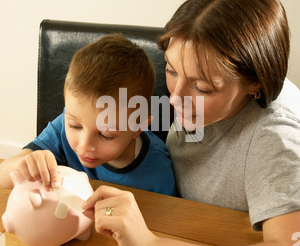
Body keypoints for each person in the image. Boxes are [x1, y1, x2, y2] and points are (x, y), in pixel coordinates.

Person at [83, 0, 300, 246]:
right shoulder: (202, 99)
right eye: (171, 70)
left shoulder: (275, 139)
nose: (175, 97)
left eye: (202, 87)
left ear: (255, 82)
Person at [0, 34, 176, 196]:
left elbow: (168, 226)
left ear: (138, 128)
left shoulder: (158, 174)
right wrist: (21, 165)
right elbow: (2, 178)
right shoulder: (62, 126)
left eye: (105, 135)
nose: (84, 146)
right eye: (75, 126)